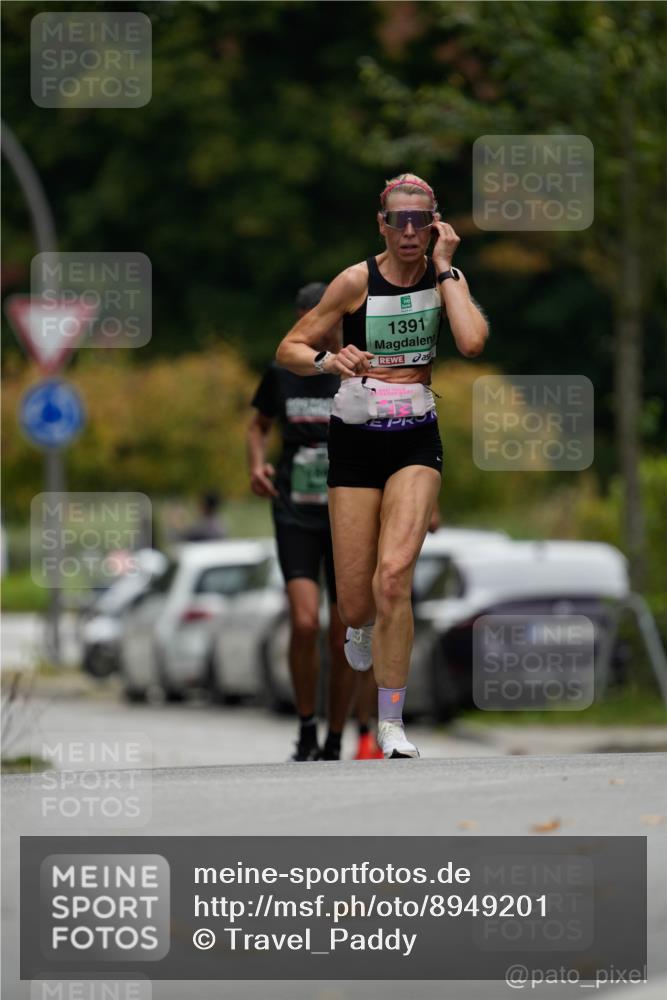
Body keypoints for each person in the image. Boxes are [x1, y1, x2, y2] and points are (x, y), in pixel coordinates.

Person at [276, 173, 488, 758]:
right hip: (355, 440)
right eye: (401, 221)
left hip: (416, 437)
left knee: (394, 576)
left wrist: (448, 269)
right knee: (356, 600)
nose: (412, 232)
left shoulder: (445, 277)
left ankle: (391, 723)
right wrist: (328, 358)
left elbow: (471, 341)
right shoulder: (355, 281)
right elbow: (288, 349)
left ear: (437, 224)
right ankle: (361, 627)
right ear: (383, 225)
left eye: (423, 221)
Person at [247, 282, 356, 761]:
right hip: (294, 508)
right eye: (312, 320)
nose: (322, 329)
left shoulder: (357, 369)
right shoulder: (280, 374)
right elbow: (258, 425)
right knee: (306, 622)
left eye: (330, 319)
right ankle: (307, 726)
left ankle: (336, 737)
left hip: (348, 511)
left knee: (343, 632)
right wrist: (256, 464)